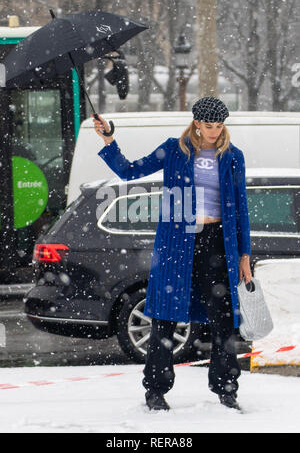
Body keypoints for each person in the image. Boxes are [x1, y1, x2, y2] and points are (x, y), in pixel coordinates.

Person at [92, 97, 252, 412]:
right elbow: (128, 171)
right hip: (178, 243)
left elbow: (242, 207)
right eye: (208, 125)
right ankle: (155, 390)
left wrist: (244, 254)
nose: (214, 131)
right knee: (164, 316)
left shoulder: (233, 157)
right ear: (196, 122)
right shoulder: (174, 150)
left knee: (224, 320)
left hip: (219, 245)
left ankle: (226, 389)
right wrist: (109, 139)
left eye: (219, 125)